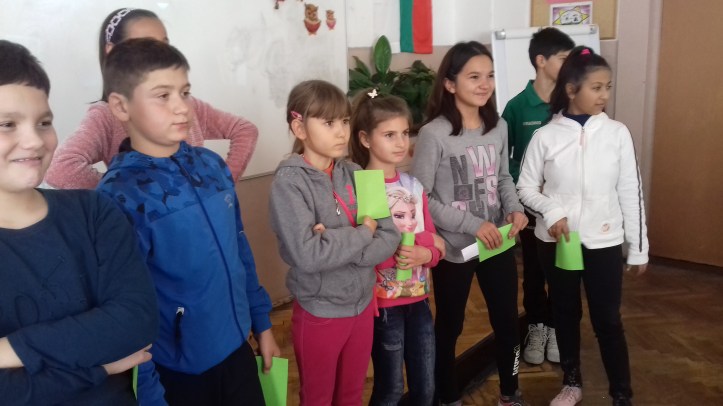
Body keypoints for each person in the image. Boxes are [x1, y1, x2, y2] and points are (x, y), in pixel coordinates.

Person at [95, 38, 280, 406]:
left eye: (185, 92)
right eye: (163, 96)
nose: (182, 107)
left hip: (237, 345)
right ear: (120, 106)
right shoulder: (120, 195)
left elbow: (239, 247)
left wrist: (261, 322)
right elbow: (126, 310)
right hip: (179, 371)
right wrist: (150, 395)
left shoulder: (211, 166)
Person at [0, 39, 158, 405]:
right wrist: (98, 368)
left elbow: (136, 321)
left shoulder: (92, 212)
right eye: (7, 124)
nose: (34, 140)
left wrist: (9, 350)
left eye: (44, 122)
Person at [517, 46, 648, 406]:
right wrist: (552, 212)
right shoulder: (545, 136)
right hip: (558, 242)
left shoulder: (617, 133)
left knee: (608, 319)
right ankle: (571, 382)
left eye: (608, 87)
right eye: (596, 87)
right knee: (565, 313)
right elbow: (525, 188)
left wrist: (639, 247)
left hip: (604, 241)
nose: (604, 95)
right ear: (572, 89)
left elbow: (630, 190)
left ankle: (621, 392)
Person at [411, 41, 529, 406]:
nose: (485, 84)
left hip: (497, 241)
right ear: (450, 84)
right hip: (454, 248)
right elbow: (421, 197)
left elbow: (503, 178)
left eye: (489, 76)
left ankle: (510, 393)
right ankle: (447, 397)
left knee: (507, 323)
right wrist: (472, 223)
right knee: (450, 326)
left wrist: (515, 209)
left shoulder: (499, 127)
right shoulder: (434, 134)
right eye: (474, 77)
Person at [268, 80, 400, 405]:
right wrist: (363, 233)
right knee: (318, 398)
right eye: (329, 123)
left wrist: (335, 242)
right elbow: (308, 255)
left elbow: (390, 235)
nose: (342, 132)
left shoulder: (356, 172)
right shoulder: (289, 183)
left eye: (344, 120)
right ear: (300, 128)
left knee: (351, 395)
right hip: (320, 313)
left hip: (362, 307)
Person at [45, 7, 258, 189]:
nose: (159, 55)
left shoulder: (187, 105)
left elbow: (244, 130)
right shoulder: (106, 116)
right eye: (145, 46)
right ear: (112, 52)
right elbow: (60, 168)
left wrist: (223, 185)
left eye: (164, 45)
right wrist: (123, 193)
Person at [348, 91, 444, 405]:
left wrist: (428, 253)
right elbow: (371, 250)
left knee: (425, 387)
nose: (401, 142)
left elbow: (436, 244)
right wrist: (424, 243)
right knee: (389, 388)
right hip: (383, 305)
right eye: (389, 135)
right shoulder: (363, 186)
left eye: (404, 133)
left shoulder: (413, 186)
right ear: (365, 139)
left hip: (419, 300)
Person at [502, 27, 575, 366]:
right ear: (541, 61)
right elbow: (503, 159)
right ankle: (537, 327)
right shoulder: (517, 107)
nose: (569, 65)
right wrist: (527, 185)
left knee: (564, 272)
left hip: (567, 210)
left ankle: (559, 328)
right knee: (533, 272)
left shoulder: (571, 103)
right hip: (532, 208)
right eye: (563, 58)